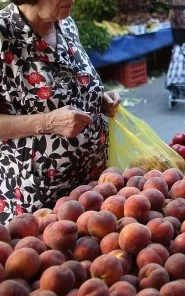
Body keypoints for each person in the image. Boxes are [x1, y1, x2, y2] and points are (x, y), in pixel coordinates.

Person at [0, 0, 121, 223]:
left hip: (93, 180)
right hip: (40, 195)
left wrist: (98, 99)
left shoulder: (66, 24)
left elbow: (71, 81)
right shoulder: (3, 36)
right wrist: (48, 122)